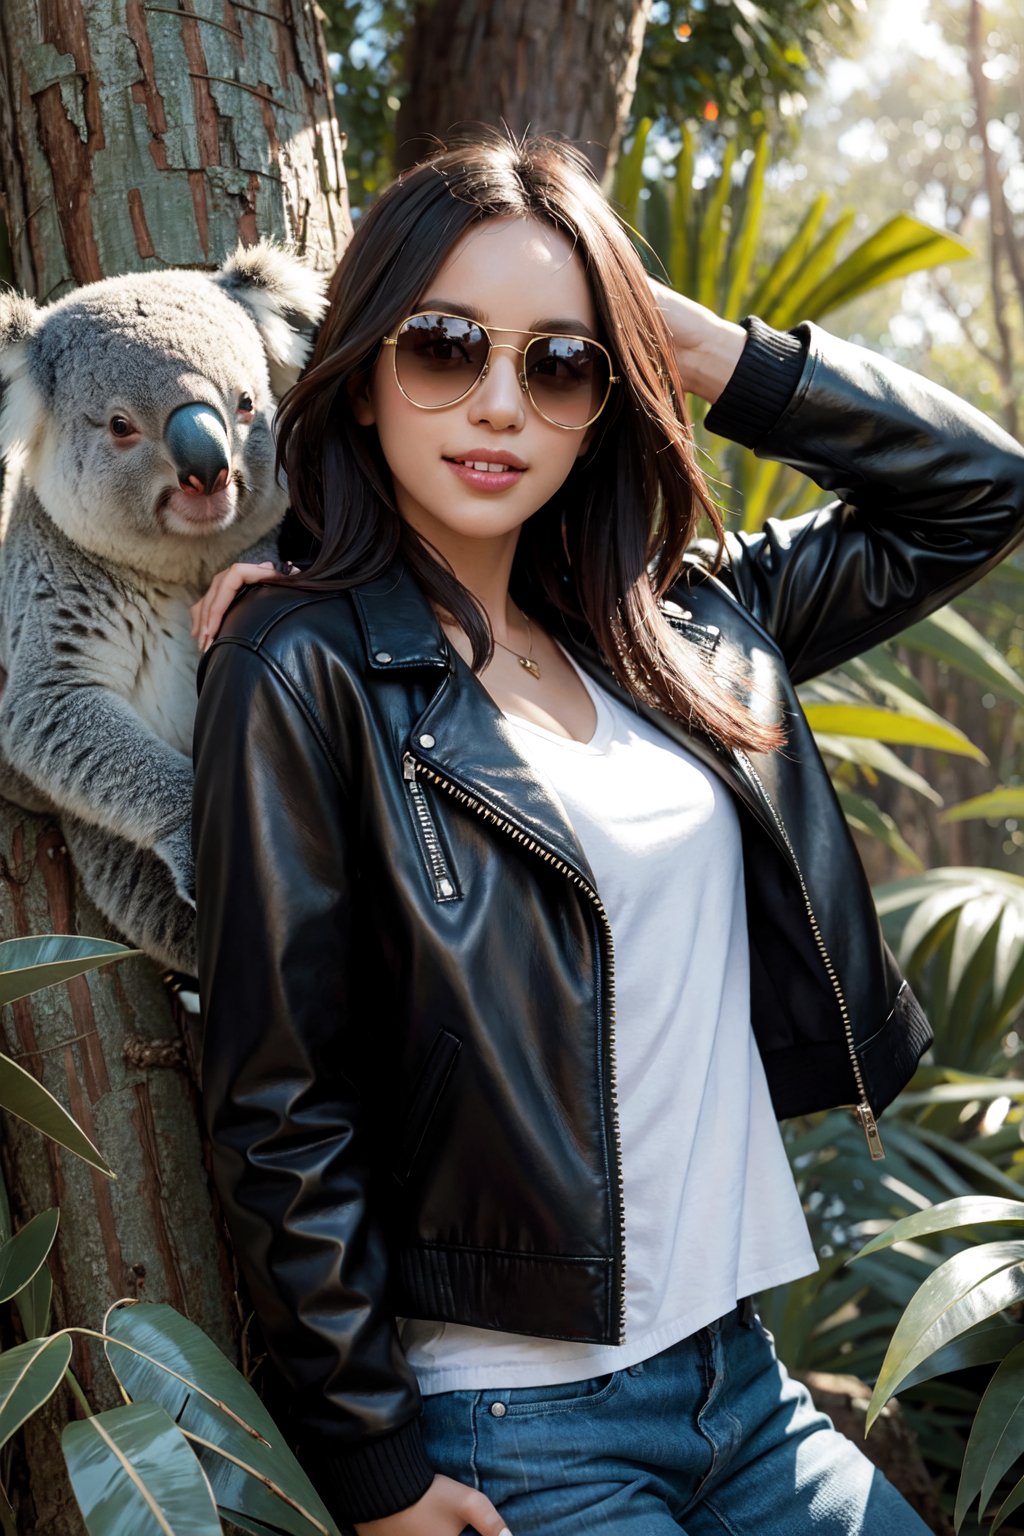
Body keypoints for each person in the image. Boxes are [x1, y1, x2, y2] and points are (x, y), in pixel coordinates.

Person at [190, 131, 1024, 1536]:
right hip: (509, 1432)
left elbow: (979, 490)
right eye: (446, 347)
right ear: (367, 368)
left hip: (743, 1385)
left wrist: (694, 345)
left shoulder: (678, 628)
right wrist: (375, 1466)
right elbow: (279, 1097)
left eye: (562, 362)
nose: (499, 404)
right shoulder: (302, 666)